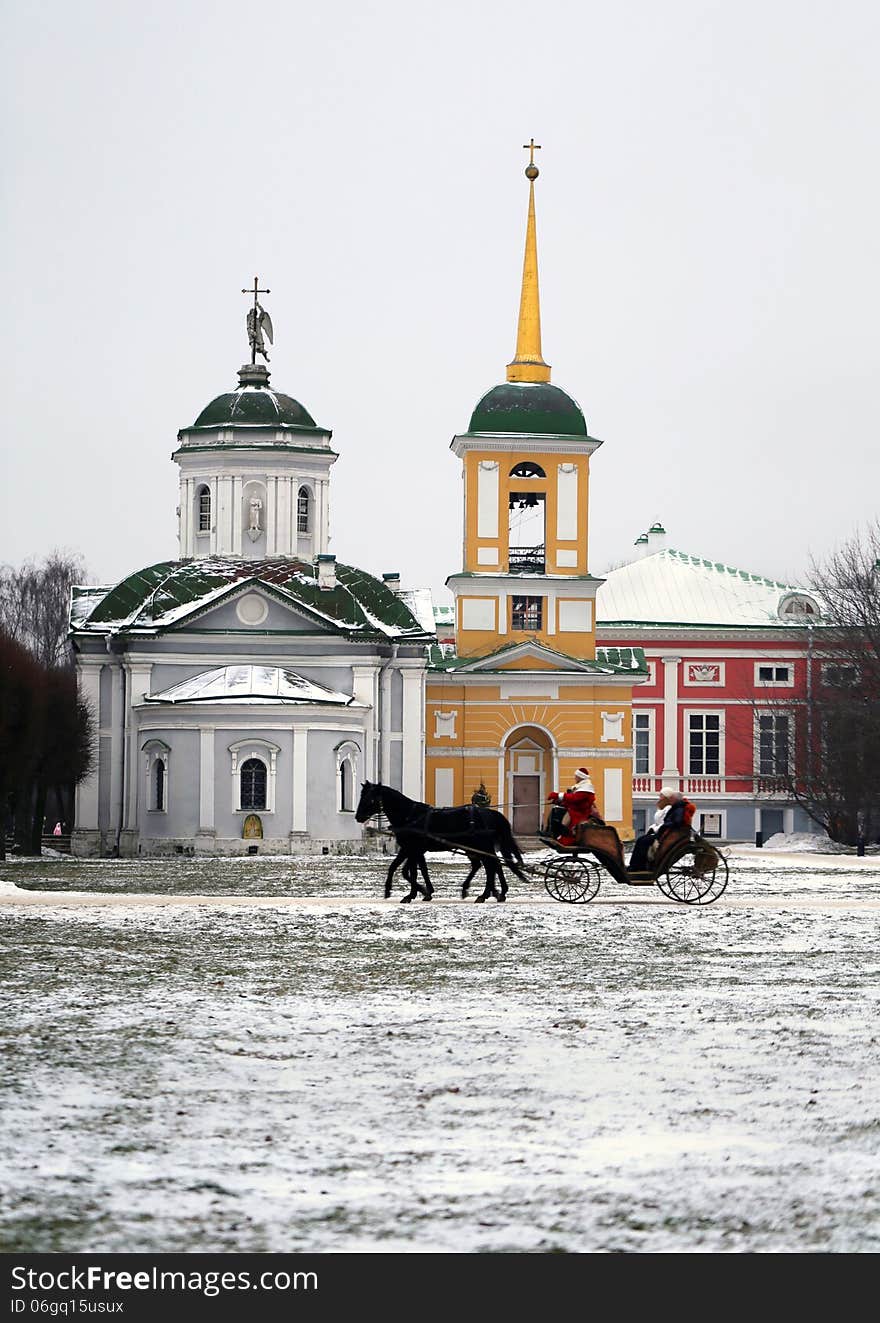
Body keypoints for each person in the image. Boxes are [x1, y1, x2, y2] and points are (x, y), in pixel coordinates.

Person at [629, 786, 692, 870]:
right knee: (641, 840)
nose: (660, 797)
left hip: (666, 834)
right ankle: (636, 865)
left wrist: (663, 827)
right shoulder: (672, 808)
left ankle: (637, 866)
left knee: (642, 841)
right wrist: (656, 827)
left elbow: (675, 822)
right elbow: (664, 822)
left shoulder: (675, 808)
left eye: (662, 795)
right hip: (663, 832)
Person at [547, 767, 600, 845]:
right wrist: (559, 802)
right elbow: (572, 801)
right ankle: (552, 833)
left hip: (580, 813)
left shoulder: (586, 788)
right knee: (556, 811)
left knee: (563, 819)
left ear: (580, 777)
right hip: (575, 809)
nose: (574, 777)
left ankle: (567, 839)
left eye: (576, 776)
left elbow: (575, 798)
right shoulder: (580, 787)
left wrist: (557, 795)